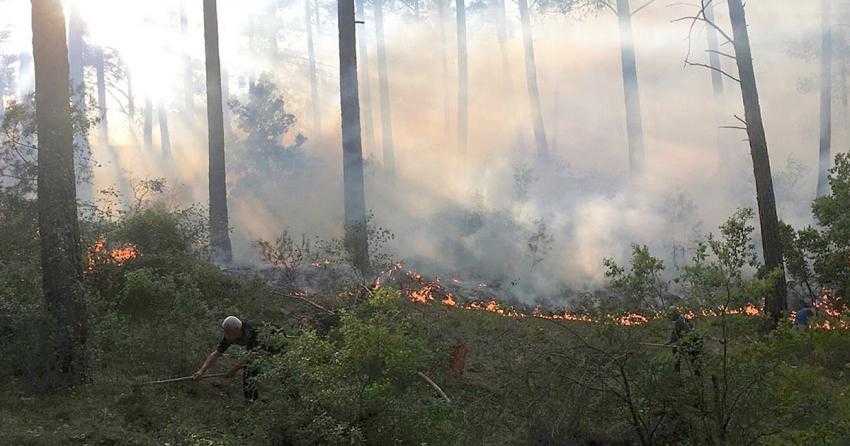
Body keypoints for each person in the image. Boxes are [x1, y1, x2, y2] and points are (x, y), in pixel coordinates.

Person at [194, 316, 261, 401]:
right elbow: (216, 354)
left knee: (251, 369)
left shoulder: (253, 333)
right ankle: (251, 401)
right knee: (248, 370)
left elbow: (251, 356)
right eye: (225, 331)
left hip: (275, 346)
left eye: (229, 332)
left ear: (237, 330)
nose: (226, 334)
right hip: (258, 352)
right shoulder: (230, 335)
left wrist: (233, 370)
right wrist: (201, 371)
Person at [668, 310, 703, 376]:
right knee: (692, 356)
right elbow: (676, 334)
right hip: (690, 339)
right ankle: (696, 372)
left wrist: (672, 341)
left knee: (691, 356)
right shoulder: (682, 319)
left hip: (691, 340)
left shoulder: (680, 321)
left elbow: (677, 334)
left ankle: (678, 372)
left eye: (671, 315)